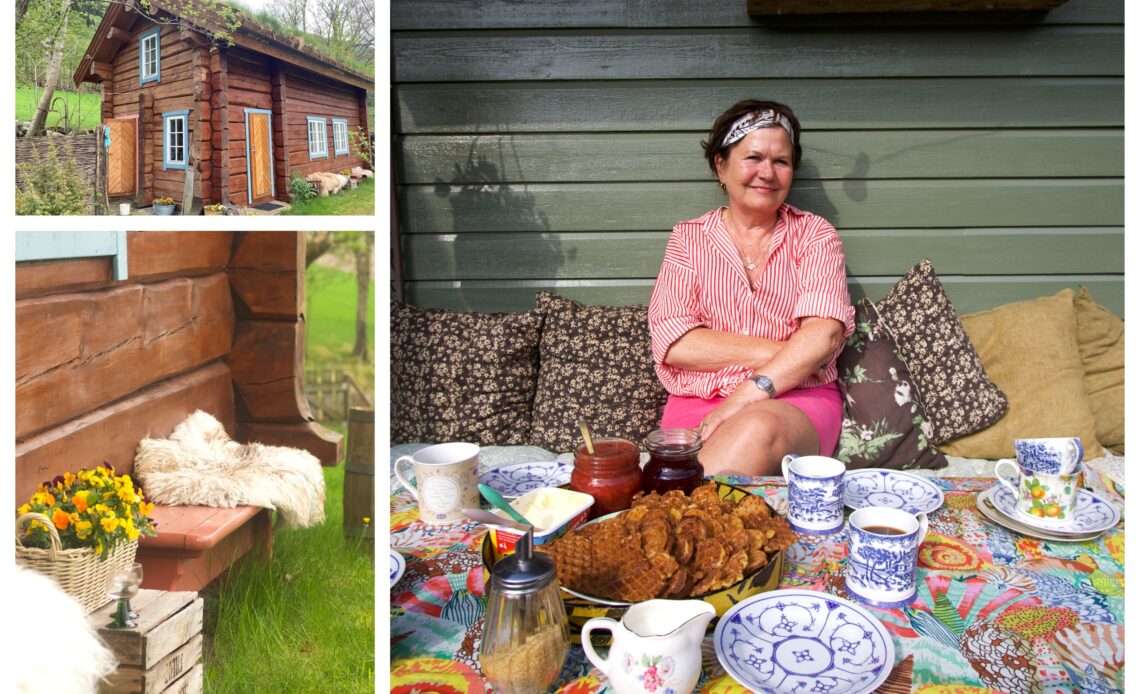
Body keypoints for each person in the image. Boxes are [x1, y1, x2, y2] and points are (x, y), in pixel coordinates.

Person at [648, 99, 855, 476]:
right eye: (753, 157)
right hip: (699, 400)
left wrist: (743, 397)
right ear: (721, 166)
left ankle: (671, 519)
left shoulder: (815, 236)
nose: (768, 173)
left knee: (755, 429)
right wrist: (794, 354)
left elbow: (823, 336)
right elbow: (675, 343)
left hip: (796, 400)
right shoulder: (688, 239)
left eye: (781, 161)